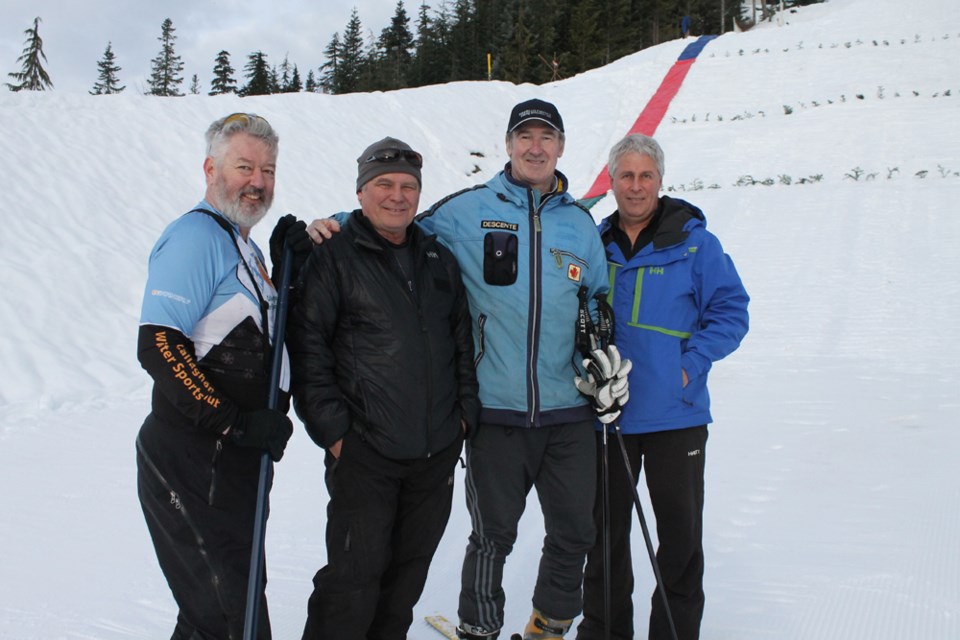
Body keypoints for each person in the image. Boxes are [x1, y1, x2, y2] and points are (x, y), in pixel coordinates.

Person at [417, 99, 619, 640]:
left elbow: (597, 303)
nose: (535, 147)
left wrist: (601, 366)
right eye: (524, 136)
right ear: (508, 145)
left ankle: (548, 629)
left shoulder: (580, 224)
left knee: (575, 532)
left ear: (560, 147)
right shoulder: (465, 210)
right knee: (492, 537)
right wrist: (333, 226)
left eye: (546, 137)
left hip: (569, 413)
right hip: (496, 410)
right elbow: (393, 229)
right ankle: (479, 630)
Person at [287, 137, 480, 640]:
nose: (397, 196)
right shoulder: (333, 256)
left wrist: (462, 417)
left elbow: (461, 340)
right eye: (384, 184)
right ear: (361, 191)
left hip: (434, 453)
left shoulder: (437, 257)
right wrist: (335, 434)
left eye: (408, 186)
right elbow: (308, 350)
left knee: (404, 584)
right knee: (352, 582)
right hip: (365, 453)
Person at [136, 112, 314, 639]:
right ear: (211, 168)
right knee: (230, 618)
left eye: (268, 170)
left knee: (218, 612)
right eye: (245, 167)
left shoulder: (243, 246)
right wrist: (233, 424)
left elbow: (254, 337)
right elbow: (160, 345)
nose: (257, 182)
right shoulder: (196, 235)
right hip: (193, 457)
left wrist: (287, 274)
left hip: (234, 463)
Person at [575, 134, 750, 640]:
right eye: (625, 176)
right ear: (611, 181)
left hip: (677, 416)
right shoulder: (594, 241)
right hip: (610, 415)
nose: (635, 186)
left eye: (645, 175)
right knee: (604, 540)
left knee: (678, 542)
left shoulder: (695, 242)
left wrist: (689, 364)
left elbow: (730, 311)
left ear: (660, 180)